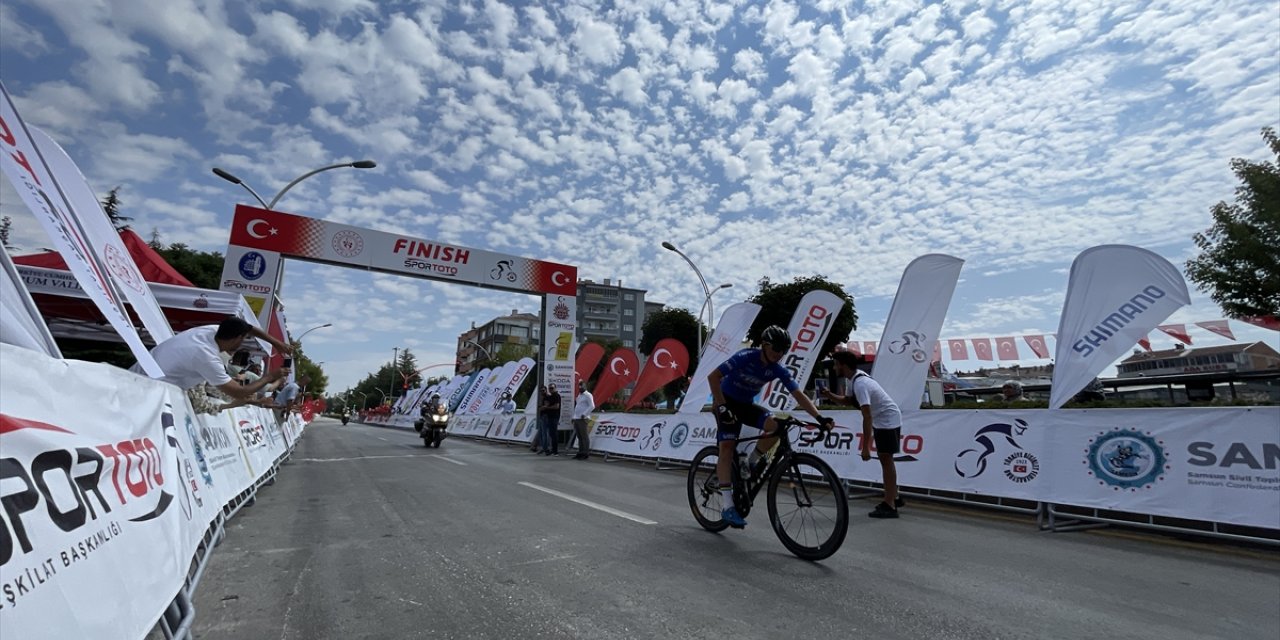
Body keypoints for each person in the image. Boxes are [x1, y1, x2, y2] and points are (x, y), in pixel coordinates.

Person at [708, 325, 833, 528]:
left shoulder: (777, 369)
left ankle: (751, 462)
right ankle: (728, 506)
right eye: (775, 348)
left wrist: (820, 418)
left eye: (783, 350)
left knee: (777, 427)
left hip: (746, 405)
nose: (778, 354)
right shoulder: (746, 356)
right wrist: (721, 406)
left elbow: (798, 394)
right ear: (764, 345)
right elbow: (713, 377)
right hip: (726, 402)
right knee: (727, 447)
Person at [822, 351, 904, 519]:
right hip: (884, 418)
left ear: (843, 365)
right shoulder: (854, 379)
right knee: (886, 459)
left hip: (888, 419)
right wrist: (830, 395)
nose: (835, 367)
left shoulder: (860, 384)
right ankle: (894, 497)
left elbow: (867, 415)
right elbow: (848, 401)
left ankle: (890, 505)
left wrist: (866, 446)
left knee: (886, 459)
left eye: (836, 364)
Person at [132, 316, 289, 401]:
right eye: (244, 338)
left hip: (136, 379)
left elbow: (248, 328)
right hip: (144, 395)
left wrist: (276, 342)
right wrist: (270, 376)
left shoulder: (212, 330)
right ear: (238, 338)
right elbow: (239, 392)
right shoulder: (207, 357)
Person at [571, 380, 595, 460]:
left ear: (585, 386)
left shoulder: (588, 395)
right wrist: (573, 417)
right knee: (579, 436)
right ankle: (580, 452)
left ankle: (585, 453)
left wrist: (584, 414)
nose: (580, 387)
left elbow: (592, 406)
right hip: (577, 418)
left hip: (583, 418)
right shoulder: (579, 396)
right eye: (579, 386)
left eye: (582, 386)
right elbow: (577, 407)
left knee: (584, 436)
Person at [538, 383, 562, 456]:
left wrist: (546, 408)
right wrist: (544, 407)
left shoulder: (557, 396)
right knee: (551, 434)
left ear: (555, 388)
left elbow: (556, 406)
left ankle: (555, 451)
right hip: (549, 417)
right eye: (550, 388)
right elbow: (545, 405)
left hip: (554, 417)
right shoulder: (550, 397)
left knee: (553, 434)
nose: (550, 389)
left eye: (552, 388)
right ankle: (552, 450)